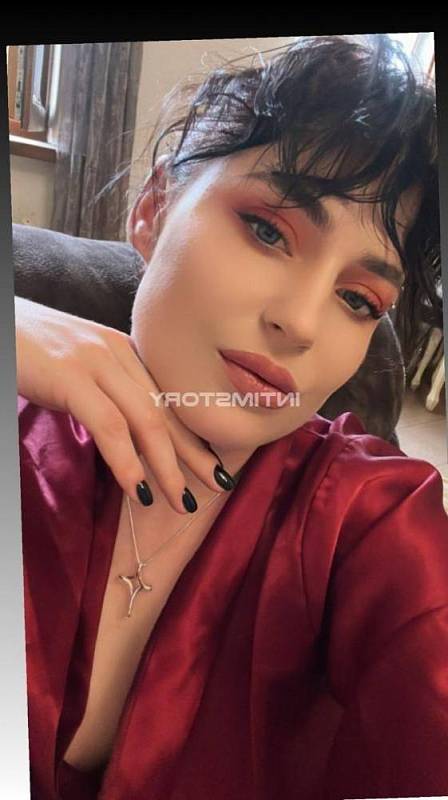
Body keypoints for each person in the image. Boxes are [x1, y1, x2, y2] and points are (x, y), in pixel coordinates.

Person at [15, 34, 447, 800]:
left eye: (358, 299)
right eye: (268, 230)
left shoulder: (366, 520)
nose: (301, 323)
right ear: (153, 209)